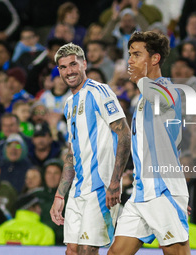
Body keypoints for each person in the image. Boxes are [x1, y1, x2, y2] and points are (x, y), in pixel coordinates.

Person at [108, 31, 190, 255]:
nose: (130, 60)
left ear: (154, 59)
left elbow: (157, 95)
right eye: (129, 54)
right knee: (116, 252)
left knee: (176, 252)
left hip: (162, 190)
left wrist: (174, 194)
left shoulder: (169, 91)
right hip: (142, 191)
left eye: (136, 54)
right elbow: (175, 145)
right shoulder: (143, 98)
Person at [49, 42, 131, 255]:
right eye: (64, 67)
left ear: (84, 63)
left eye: (73, 64)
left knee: (87, 250)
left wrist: (115, 182)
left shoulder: (99, 91)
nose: (69, 71)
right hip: (78, 190)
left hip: (101, 187)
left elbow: (124, 133)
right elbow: (72, 154)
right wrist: (60, 195)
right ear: (59, 71)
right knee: (72, 251)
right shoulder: (68, 104)